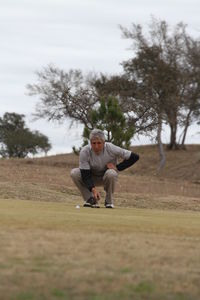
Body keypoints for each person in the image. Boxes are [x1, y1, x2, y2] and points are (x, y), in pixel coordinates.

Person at [70, 129, 139, 208]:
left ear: (104, 142)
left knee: (111, 173)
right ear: (90, 142)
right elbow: (85, 174)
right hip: (91, 177)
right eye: (94, 143)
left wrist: (117, 167)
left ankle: (109, 201)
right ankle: (91, 199)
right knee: (74, 173)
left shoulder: (111, 148)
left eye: (99, 143)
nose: (96, 146)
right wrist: (93, 189)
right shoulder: (85, 151)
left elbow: (135, 157)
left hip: (107, 177)